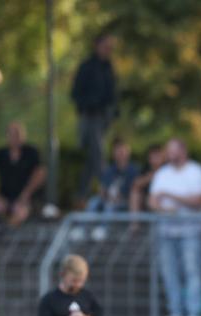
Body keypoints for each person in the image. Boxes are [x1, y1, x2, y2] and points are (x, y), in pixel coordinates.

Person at [148, 138, 201, 316]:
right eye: (168, 151)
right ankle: (176, 313)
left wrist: (170, 196)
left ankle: (193, 315)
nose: (170, 154)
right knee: (169, 273)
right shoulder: (162, 173)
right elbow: (152, 200)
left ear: (183, 151)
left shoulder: (197, 171)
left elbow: (199, 201)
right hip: (166, 231)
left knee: (192, 272)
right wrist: (163, 208)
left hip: (190, 231)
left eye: (173, 151)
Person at [71, 31, 116, 203]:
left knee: (93, 157)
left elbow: (112, 93)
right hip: (89, 116)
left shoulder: (108, 67)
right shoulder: (87, 67)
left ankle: (82, 194)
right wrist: (90, 103)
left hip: (103, 118)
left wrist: (112, 110)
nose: (108, 50)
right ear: (97, 46)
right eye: (105, 47)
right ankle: (107, 189)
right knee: (98, 153)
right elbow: (76, 94)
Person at [0, 121, 46, 226]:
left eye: (18, 134)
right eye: (12, 134)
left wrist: (25, 195)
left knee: (20, 213)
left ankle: (10, 233)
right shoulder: (1, 154)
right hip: (6, 197)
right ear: (7, 136)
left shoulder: (31, 153)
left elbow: (40, 174)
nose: (15, 137)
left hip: (29, 199)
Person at [88, 138, 138, 213]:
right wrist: (106, 196)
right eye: (117, 151)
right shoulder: (109, 170)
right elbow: (102, 189)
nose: (120, 153)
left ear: (128, 151)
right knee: (93, 201)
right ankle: (86, 224)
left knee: (109, 206)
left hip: (125, 201)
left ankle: (105, 225)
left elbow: (135, 191)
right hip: (109, 199)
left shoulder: (135, 170)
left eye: (122, 150)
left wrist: (118, 199)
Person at [128, 144, 165, 213]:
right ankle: (134, 222)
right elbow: (135, 184)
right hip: (147, 198)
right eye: (154, 156)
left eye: (158, 156)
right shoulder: (145, 169)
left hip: (163, 197)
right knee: (135, 194)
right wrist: (149, 177)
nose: (156, 159)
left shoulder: (168, 169)